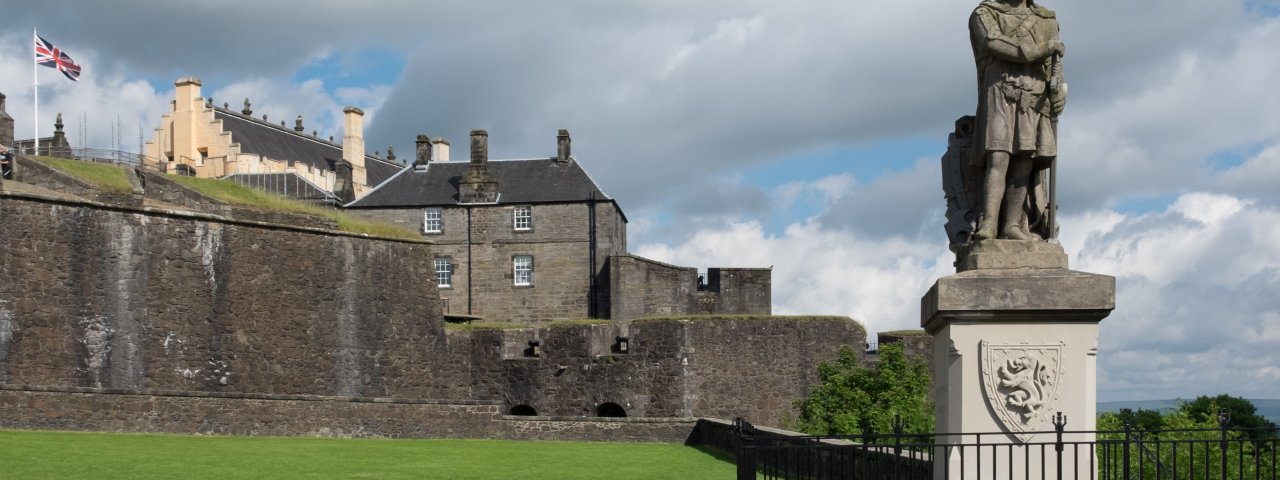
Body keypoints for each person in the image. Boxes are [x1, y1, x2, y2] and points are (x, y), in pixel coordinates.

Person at [969, 0, 1066, 241]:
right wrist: (1044, 48)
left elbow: (1053, 66)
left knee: (1025, 161)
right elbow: (995, 43)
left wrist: (1060, 92)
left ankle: (1011, 225)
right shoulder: (985, 13)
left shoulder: (1046, 19)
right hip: (1001, 92)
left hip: (1034, 96)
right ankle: (989, 224)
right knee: (998, 157)